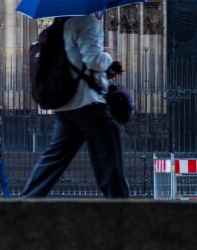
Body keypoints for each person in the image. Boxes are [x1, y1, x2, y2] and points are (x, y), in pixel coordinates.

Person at [20, 12, 130, 198]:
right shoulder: (87, 20)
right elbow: (93, 60)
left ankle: (25, 202)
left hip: (67, 103)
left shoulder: (62, 23)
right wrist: (107, 57)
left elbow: (75, 60)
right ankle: (122, 211)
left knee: (54, 159)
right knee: (110, 157)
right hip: (87, 103)